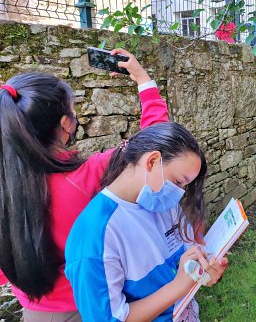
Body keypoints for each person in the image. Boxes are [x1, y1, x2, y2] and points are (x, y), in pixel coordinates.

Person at [0, 48, 168, 321]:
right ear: (66, 124)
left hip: (35, 313)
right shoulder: (90, 175)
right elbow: (156, 143)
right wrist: (142, 78)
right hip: (91, 306)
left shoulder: (6, 188)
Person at [65, 122, 228, 321]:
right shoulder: (94, 236)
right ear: (152, 161)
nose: (179, 194)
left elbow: (187, 251)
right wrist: (179, 286)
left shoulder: (164, 204)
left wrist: (205, 268)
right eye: (178, 182)